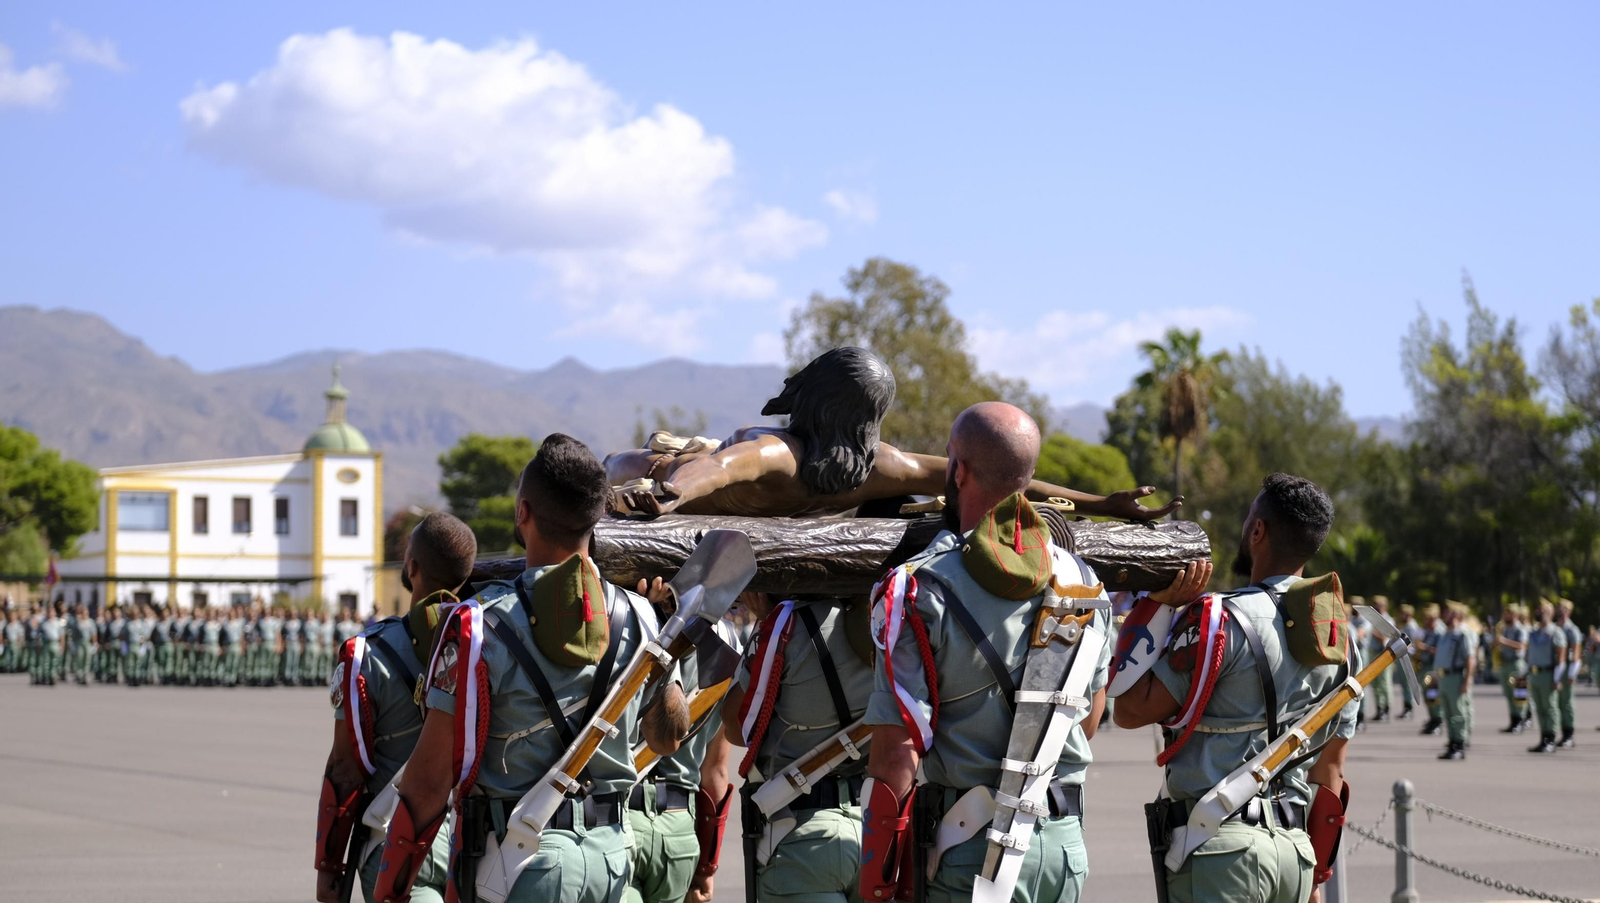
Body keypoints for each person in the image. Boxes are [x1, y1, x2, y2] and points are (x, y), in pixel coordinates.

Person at [374, 434, 690, 903]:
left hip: (520, 865)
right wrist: (671, 644)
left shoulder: (477, 625)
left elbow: (427, 781)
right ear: (598, 516)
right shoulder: (643, 617)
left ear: (523, 513)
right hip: (613, 860)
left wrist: (390, 889)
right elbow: (669, 737)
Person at [860, 403, 1112, 903]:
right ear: (1029, 476)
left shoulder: (918, 588)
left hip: (972, 853)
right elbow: (1087, 719)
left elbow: (896, 754)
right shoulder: (1085, 583)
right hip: (1063, 850)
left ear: (958, 470)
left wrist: (876, 886)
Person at [1116, 472, 1360, 903]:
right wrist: (1315, 876)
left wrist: (1157, 608)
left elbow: (1130, 711)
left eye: (1251, 517)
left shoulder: (1217, 620)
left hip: (1220, 850)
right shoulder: (1339, 638)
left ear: (1258, 530)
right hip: (1295, 855)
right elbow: (1330, 773)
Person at [607, 347, 1179, 523]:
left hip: (684, 475)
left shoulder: (775, 452)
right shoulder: (884, 466)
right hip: (696, 474)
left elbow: (721, 469)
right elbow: (998, 479)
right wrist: (1104, 504)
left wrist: (664, 493)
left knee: (616, 463)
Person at [316, 512, 478, 903]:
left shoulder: (365, 654)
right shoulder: (487, 643)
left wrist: (330, 869)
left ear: (412, 566)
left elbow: (345, 770)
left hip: (396, 846)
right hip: (476, 850)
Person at [722, 590, 872, 903]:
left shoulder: (784, 626)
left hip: (803, 834)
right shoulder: (882, 614)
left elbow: (738, 728)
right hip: (874, 827)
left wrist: (765, 617)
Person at [1433, 602, 1476, 760]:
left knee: (1458, 713)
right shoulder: (1445, 634)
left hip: (1456, 676)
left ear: (1457, 615)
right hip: (1444, 677)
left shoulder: (1461, 635)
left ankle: (1460, 744)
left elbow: (1470, 659)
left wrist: (1467, 681)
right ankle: (1452, 743)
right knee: (1448, 712)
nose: (1446, 615)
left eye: (1449, 612)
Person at [1526, 599, 1567, 753]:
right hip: (1535, 674)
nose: (1538, 612)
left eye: (1542, 610)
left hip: (1548, 674)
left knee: (1550, 708)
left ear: (1550, 613)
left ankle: (1550, 739)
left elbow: (1561, 658)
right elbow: (1530, 655)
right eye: (1537, 610)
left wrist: (1557, 679)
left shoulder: (1555, 632)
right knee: (1540, 709)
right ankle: (1543, 738)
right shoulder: (1534, 633)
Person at [1494, 604, 1530, 733]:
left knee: (1519, 693)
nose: (1506, 616)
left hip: (1516, 663)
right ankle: (1513, 720)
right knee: (1509, 694)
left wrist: (1504, 641)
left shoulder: (1520, 629)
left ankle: (1521, 720)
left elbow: (1522, 646)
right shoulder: (1505, 629)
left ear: (1515, 615)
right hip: (1505, 663)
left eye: (1508, 613)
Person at [1554, 600, 1582, 747]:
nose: (1560, 610)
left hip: (1566, 671)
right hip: (1556, 669)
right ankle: (1563, 733)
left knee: (1566, 703)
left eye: (1563, 609)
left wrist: (1572, 674)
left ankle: (1569, 735)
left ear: (1569, 612)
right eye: (1559, 608)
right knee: (1558, 703)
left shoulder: (1572, 630)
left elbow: (1576, 653)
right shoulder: (1556, 628)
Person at [1415, 604, 1443, 736]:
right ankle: (1432, 719)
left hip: (1434, 667)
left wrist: (1425, 647)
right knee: (1428, 695)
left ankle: (1438, 721)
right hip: (1425, 666)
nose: (1426, 621)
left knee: (1434, 696)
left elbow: (1441, 652)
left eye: (1429, 619)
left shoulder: (1439, 632)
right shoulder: (1426, 631)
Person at [1365, 596, 1395, 722]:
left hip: (1384, 655)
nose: (1377, 608)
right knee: (1376, 684)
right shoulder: (1373, 620)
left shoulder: (1389, 620)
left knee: (1385, 683)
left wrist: (1374, 633)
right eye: (1375, 605)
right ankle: (1379, 708)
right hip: (1373, 654)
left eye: (1379, 606)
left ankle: (1387, 709)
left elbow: (1385, 640)